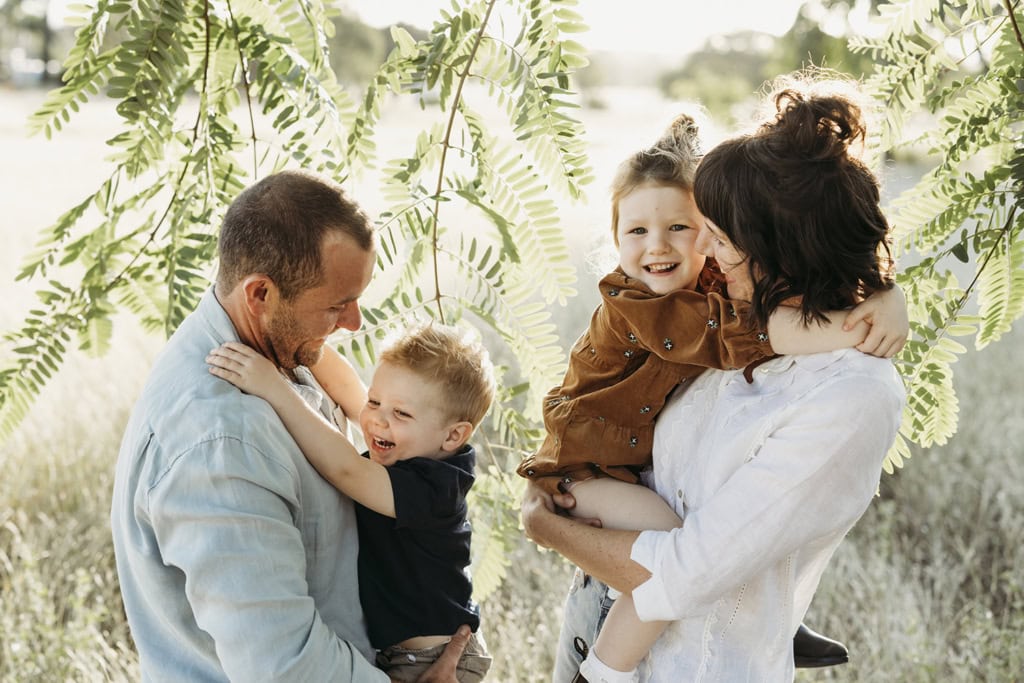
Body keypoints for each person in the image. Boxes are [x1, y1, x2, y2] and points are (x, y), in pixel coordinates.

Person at [521, 73, 907, 683]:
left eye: (718, 238)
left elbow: (688, 569)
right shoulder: (707, 311)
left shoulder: (848, 392)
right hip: (595, 604)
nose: (709, 252)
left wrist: (547, 527)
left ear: (778, 246)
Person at [110, 170, 469, 682]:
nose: (354, 323)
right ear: (260, 294)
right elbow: (285, 666)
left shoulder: (277, 345)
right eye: (336, 305)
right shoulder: (220, 440)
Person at [206, 321, 496, 682]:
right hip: (405, 653)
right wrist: (301, 341)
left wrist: (273, 387)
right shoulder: (412, 440)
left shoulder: (436, 489)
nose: (376, 420)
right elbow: (348, 390)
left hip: (432, 659)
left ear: (453, 435)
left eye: (400, 414)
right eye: (376, 401)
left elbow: (345, 469)